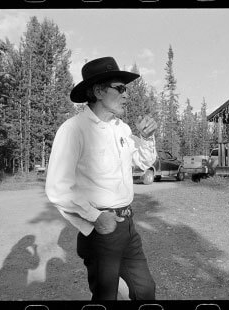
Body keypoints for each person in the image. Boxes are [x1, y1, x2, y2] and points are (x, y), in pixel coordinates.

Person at [45, 56, 157, 300]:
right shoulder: (73, 129)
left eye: (126, 89)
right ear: (97, 91)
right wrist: (96, 218)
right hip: (102, 229)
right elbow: (57, 187)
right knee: (106, 296)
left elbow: (144, 162)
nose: (127, 95)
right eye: (120, 88)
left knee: (145, 290)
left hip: (128, 225)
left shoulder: (122, 129)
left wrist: (147, 138)